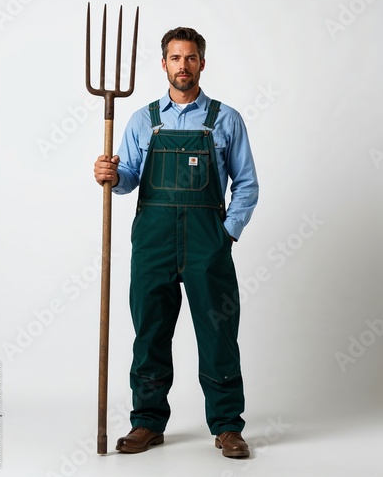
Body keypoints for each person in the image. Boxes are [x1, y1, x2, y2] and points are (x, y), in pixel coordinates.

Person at [94, 26, 259, 458]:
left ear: (202, 63)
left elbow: (246, 185)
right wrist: (111, 176)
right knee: (149, 334)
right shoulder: (141, 120)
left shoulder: (226, 119)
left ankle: (227, 427)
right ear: (163, 63)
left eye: (190, 58)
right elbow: (128, 179)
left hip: (208, 244)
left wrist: (226, 235)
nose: (182, 66)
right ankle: (147, 422)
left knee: (218, 333)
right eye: (174, 58)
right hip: (153, 244)